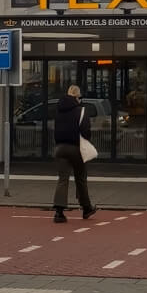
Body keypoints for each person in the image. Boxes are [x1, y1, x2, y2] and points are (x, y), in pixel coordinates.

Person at [52, 85, 97, 224]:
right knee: (81, 178)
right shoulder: (81, 111)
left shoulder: (59, 110)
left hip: (60, 148)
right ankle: (86, 208)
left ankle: (59, 213)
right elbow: (85, 131)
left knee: (63, 179)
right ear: (77, 97)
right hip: (76, 148)